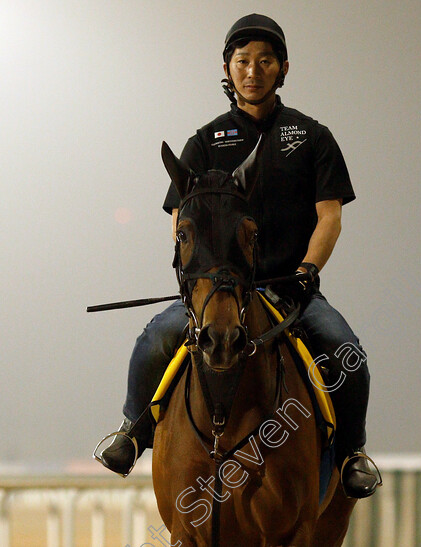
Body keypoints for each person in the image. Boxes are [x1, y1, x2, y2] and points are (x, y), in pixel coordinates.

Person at [97, 14, 379, 498]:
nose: (253, 70)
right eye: (243, 61)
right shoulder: (204, 143)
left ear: (283, 68)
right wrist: (201, 278)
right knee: (155, 339)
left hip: (291, 290)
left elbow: (329, 217)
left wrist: (308, 271)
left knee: (346, 350)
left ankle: (353, 453)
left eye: (265, 61)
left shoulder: (313, 137)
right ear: (227, 69)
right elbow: (180, 219)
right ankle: (131, 433)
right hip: (220, 291)